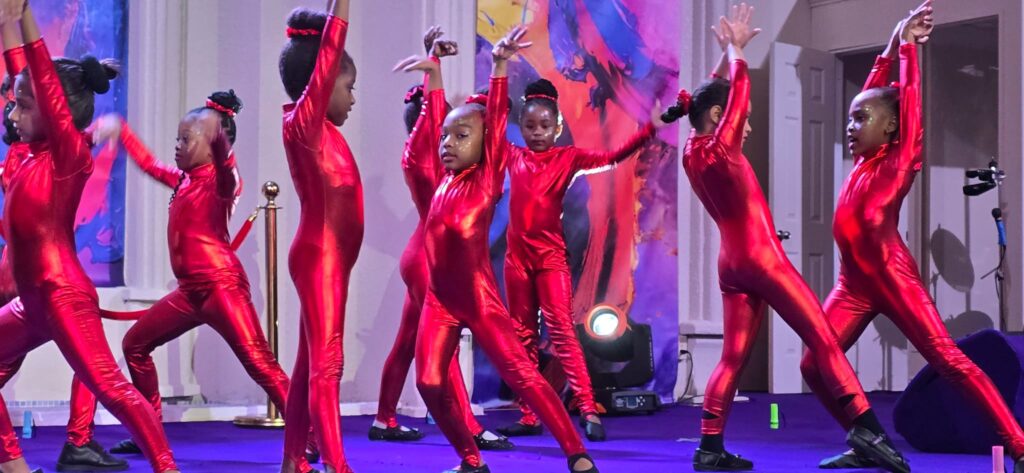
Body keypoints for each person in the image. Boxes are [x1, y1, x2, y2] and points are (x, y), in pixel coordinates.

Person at [660, 4, 907, 472]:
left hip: (730, 265)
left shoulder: (693, 149)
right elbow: (735, 92)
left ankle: (709, 447)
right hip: (761, 260)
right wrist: (737, 52)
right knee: (823, 338)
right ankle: (868, 428)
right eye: (744, 118)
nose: (748, 125)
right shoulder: (722, 146)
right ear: (721, 115)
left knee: (732, 357)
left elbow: (711, 96)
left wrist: (724, 57)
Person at [394, 25, 597, 473]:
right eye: (446, 137)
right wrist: (434, 71)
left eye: (461, 136)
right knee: (429, 382)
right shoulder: (444, 178)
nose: (448, 144)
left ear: (484, 142)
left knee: (524, 376)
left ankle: (576, 452)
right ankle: (471, 460)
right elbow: (435, 119)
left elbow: (498, 113)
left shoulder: (486, 180)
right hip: (440, 301)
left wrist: (500, 64)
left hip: (479, 300)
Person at [0, 1, 178, 471]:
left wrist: (26, 18)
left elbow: (41, 78)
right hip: (33, 301)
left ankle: (167, 466)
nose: (12, 114)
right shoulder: (30, 153)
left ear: (53, 112)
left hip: (62, 295)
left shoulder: (66, 156)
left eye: (23, 106)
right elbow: (25, 75)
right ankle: (14, 466)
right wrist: (7, 22)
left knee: (113, 390)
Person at [373, 25, 512, 451]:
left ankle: (384, 416)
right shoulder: (430, 153)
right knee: (442, 348)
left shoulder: (417, 151)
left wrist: (431, 61)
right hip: (430, 259)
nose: (452, 133)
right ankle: (470, 426)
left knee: (407, 341)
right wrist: (432, 70)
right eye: (447, 126)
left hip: (420, 252)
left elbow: (432, 110)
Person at [278, 0, 359, 471]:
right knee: (328, 365)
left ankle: (294, 460)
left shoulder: (322, 129)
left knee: (311, 365)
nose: (353, 98)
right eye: (348, 87)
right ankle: (336, 464)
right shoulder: (305, 124)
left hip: (329, 257)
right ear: (323, 84)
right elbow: (330, 50)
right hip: (319, 256)